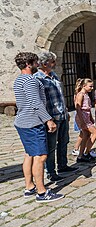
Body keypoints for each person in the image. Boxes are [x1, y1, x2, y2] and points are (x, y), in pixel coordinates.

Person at [13, 52, 63, 202]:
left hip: (22, 122)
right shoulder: (30, 81)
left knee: (29, 154)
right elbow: (36, 103)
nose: (38, 65)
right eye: (35, 63)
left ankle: (29, 187)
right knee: (41, 156)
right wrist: (49, 120)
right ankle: (42, 192)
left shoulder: (19, 80)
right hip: (32, 123)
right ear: (29, 64)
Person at [34, 51, 78, 181]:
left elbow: (60, 95)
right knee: (51, 146)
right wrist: (48, 119)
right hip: (51, 117)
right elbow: (40, 101)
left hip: (62, 115)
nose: (55, 63)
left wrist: (65, 111)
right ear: (45, 63)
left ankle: (63, 165)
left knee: (64, 141)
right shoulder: (38, 78)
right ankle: (51, 172)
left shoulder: (54, 75)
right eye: (53, 61)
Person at [74, 78, 96, 163]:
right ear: (84, 86)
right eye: (90, 86)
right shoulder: (80, 94)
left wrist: (91, 117)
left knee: (86, 135)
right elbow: (78, 108)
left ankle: (81, 155)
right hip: (83, 117)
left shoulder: (86, 94)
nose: (92, 88)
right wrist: (82, 121)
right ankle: (86, 152)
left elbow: (88, 108)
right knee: (95, 133)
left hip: (87, 116)